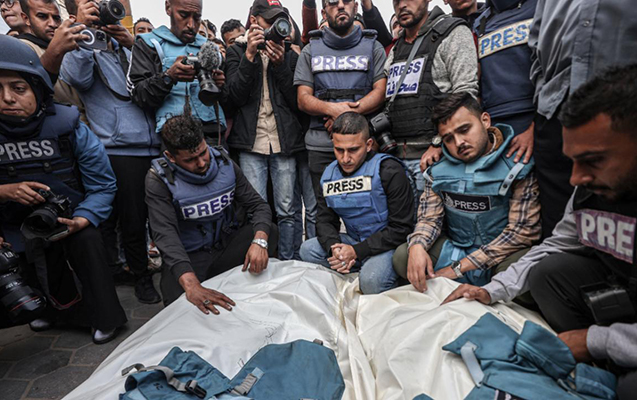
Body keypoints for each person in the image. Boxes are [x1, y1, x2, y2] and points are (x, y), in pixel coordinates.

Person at [443, 65, 637, 400]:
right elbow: (554, 246)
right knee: (549, 272)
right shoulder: (589, 191)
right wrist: (490, 291)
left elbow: (521, 233)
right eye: (573, 161)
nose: (575, 179)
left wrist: (595, 341)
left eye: (593, 160)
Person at [0, 35, 126, 344]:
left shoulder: (69, 126)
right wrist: (5, 191)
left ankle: (104, 317)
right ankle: (41, 309)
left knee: (88, 241)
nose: (7, 99)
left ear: (37, 88)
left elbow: (103, 184)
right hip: (13, 225)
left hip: (70, 218)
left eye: (18, 88)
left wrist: (83, 217)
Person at [60, 0, 162, 304]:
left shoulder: (128, 45)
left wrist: (131, 44)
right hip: (118, 148)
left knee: (148, 216)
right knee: (129, 218)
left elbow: (153, 79)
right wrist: (83, 32)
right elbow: (76, 77)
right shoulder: (82, 47)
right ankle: (140, 276)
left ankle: (134, 268)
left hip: (152, 144)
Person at [393, 92, 541, 292]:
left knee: (527, 274)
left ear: (485, 120)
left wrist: (458, 269)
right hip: (455, 250)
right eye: (449, 138)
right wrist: (417, 245)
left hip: (500, 255)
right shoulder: (438, 170)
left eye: (464, 130)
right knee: (404, 256)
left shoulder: (516, 164)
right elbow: (429, 219)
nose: (459, 142)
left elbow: (521, 233)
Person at [146, 112, 278, 308]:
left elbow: (258, 206)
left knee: (269, 231)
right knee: (179, 308)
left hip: (224, 247)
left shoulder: (224, 163)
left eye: (203, 153)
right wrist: (190, 284)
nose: (201, 163)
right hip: (190, 256)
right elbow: (165, 235)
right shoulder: (158, 180)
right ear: (170, 157)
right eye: (190, 160)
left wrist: (260, 241)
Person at [528, 0, 637, 238]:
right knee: (559, 228)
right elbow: (536, 45)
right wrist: (542, 94)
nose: (576, 178)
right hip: (553, 113)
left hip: (624, 118)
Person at [300, 112, 414, 294]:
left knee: (371, 281)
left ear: (368, 145)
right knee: (308, 250)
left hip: (388, 245)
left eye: (353, 150)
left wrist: (356, 251)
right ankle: (350, 265)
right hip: (354, 242)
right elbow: (325, 220)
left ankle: (373, 272)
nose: (345, 158)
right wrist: (334, 248)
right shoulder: (328, 175)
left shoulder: (389, 170)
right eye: (339, 150)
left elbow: (402, 228)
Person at [225, 0, 304, 261]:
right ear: (253, 20)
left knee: (287, 210)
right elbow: (233, 97)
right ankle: (261, 264)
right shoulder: (236, 52)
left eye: (278, 21)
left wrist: (280, 66)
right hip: (251, 143)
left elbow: (297, 103)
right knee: (256, 211)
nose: (273, 27)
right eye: (268, 21)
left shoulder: (290, 54)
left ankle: (289, 262)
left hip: (283, 142)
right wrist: (249, 57)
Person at [385, 0, 478, 197]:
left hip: (437, 159)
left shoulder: (452, 33)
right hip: (398, 159)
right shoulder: (396, 48)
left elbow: (466, 93)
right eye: (396, 1)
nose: (402, 5)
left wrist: (439, 142)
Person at [295, 0, 387, 195]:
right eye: (333, 2)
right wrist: (333, 110)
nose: (341, 6)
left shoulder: (374, 47)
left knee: (366, 205)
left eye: (346, 1)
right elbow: (303, 98)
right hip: (321, 147)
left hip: (362, 146)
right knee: (323, 209)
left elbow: (381, 92)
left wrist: (345, 116)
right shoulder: (310, 50)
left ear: (356, 7)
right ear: (324, 12)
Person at [127, 0, 227, 142]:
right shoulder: (149, 44)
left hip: (214, 134)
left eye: (197, 17)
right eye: (184, 15)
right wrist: (169, 77)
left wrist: (220, 86)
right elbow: (139, 95)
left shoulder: (210, 48)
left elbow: (230, 102)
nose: (191, 25)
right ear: (168, 8)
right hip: (174, 139)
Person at [472, 0, 537, 165]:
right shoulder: (480, 21)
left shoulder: (541, 7)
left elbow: (552, 75)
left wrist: (537, 128)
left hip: (532, 118)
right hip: (494, 124)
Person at [16, 0, 87, 121]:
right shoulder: (21, 48)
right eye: (42, 17)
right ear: (26, 18)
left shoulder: (71, 43)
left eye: (56, 18)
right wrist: (56, 50)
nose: (52, 24)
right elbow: (34, 89)